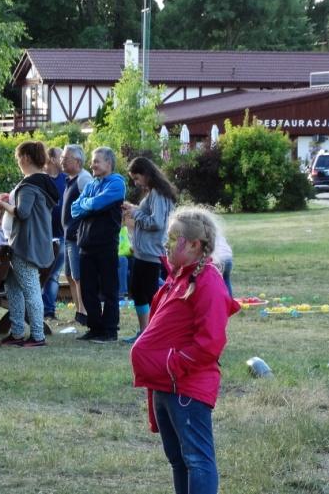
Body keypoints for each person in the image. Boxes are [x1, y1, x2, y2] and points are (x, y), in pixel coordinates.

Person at [130, 207, 240, 494]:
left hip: (185, 386)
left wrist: (172, 365)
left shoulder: (208, 281)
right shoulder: (179, 277)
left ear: (193, 245)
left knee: (197, 460)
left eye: (172, 238)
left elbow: (210, 342)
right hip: (165, 384)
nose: (165, 244)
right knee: (178, 460)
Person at [0, 140, 58, 348]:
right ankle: (17, 332)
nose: (18, 161)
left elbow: (23, 212)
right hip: (35, 241)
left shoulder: (29, 185)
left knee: (31, 290)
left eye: (18, 158)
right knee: (13, 287)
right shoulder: (43, 182)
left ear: (25, 158)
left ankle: (37, 336)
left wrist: (2, 204)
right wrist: (9, 200)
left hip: (25, 244)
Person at [70, 146, 126, 343]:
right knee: (87, 290)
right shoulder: (92, 184)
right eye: (92, 161)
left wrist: (87, 205)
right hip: (86, 245)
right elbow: (74, 209)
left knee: (109, 289)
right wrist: (89, 205)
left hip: (106, 245)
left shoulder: (117, 183)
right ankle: (95, 328)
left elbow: (95, 204)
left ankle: (110, 331)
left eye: (96, 161)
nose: (92, 165)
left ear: (108, 163)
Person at [121, 156, 177, 342]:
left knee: (150, 293)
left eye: (137, 178)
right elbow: (150, 214)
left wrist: (135, 213)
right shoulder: (154, 193)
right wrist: (134, 208)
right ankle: (145, 332)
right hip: (144, 252)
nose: (136, 183)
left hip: (151, 252)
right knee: (138, 290)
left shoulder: (158, 194)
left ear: (146, 174)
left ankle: (154, 332)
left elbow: (157, 222)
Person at [60, 144, 93, 325]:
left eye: (65, 158)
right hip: (68, 235)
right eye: (61, 158)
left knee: (78, 276)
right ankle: (79, 312)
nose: (61, 161)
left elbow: (92, 205)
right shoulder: (70, 179)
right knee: (70, 275)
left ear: (78, 161)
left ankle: (84, 312)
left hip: (76, 237)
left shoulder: (84, 178)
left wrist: (81, 229)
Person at [41, 147, 68, 320]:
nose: (64, 160)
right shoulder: (40, 179)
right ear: (52, 159)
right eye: (61, 156)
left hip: (62, 235)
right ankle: (38, 309)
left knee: (53, 274)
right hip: (42, 236)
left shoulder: (66, 179)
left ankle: (48, 310)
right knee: (41, 274)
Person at [213, 231, 234, 297]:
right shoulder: (220, 236)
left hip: (219, 259)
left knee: (214, 282)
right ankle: (229, 300)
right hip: (228, 258)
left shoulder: (206, 236)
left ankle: (218, 299)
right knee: (226, 279)